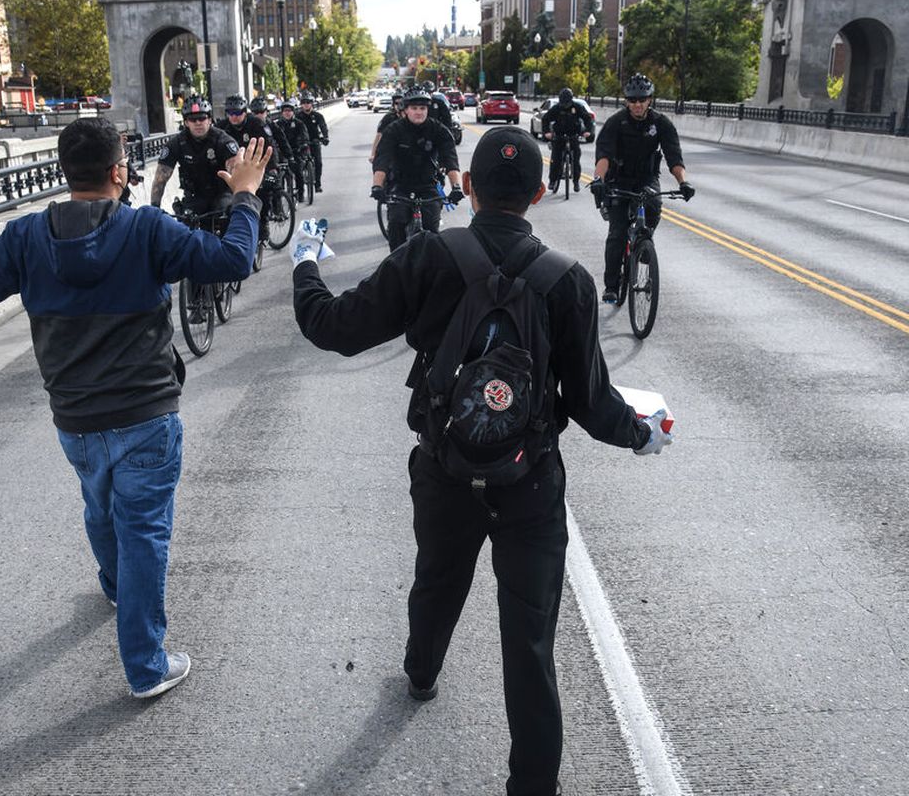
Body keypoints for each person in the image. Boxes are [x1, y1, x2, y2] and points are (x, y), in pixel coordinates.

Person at [291, 124, 673, 796]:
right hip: (530, 482)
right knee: (530, 643)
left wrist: (306, 263)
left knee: (438, 577)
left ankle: (420, 670)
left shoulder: (426, 256)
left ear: (465, 188)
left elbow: (334, 328)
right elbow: (589, 401)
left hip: (445, 467)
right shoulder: (569, 281)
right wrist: (641, 433)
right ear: (535, 193)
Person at [0, 117, 271, 698]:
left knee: (99, 505)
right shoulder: (148, 230)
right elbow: (235, 260)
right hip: (147, 415)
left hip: (75, 418)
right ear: (120, 171)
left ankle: (117, 585)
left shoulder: (25, 236)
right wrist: (244, 194)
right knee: (144, 531)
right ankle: (145, 665)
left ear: (65, 173)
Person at [589, 73, 694, 304]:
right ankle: (612, 286)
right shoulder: (617, 123)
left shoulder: (661, 123)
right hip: (619, 181)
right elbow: (604, 155)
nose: (637, 104)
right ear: (626, 101)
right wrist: (599, 179)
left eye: (642, 99)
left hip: (647, 180)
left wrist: (683, 182)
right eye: (633, 100)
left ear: (650, 100)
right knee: (617, 233)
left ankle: (643, 244)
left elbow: (674, 156)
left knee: (654, 206)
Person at [371, 86, 462, 252]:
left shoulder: (438, 129)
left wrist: (456, 187)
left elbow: (451, 160)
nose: (419, 112)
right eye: (414, 108)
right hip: (400, 184)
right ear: (405, 110)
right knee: (397, 223)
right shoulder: (394, 130)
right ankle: (396, 265)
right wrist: (377, 186)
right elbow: (382, 160)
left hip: (428, 184)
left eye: (422, 108)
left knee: (432, 231)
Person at [151, 96, 240, 216]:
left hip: (222, 193)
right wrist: (154, 209)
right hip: (194, 195)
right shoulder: (176, 143)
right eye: (193, 119)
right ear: (186, 122)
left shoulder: (223, 141)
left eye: (202, 118)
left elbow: (237, 173)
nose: (198, 123)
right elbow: (160, 180)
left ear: (209, 120)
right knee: (185, 223)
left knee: (225, 213)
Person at [216, 94, 281, 244]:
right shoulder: (221, 127)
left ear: (245, 112)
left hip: (257, 166)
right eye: (230, 113)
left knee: (264, 191)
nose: (234, 117)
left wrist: (273, 169)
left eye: (237, 113)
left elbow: (270, 147)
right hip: (235, 170)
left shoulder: (257, 124)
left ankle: (263, 222)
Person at [542, 87, 594, 192]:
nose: (565, 105)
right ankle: (552, 181)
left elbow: (588, 118)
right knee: (555, 159)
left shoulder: (577, 107)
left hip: (573, 135)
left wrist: (587, 131)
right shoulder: (556, 108)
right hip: (559, 136)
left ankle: (576, 182)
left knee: (575, 159)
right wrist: (546, 132)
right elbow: (545, 119)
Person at [275, 99, 311, 202]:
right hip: (282, 152)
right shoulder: (278, 124)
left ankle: (300, 193)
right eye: (285, 111)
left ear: (293, 112)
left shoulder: (299, 123)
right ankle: (279, 195)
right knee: (278, 174)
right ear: (282, 112)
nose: (287, 113)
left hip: (296, 151)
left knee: (298, 172)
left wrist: (302, 144)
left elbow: (304, 135)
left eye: (289, 111)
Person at [295, 94, 329, 193]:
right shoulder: (298, 117)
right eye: (304, 103)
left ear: (312, 104)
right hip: (301, 143)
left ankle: (317, 184)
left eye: (308, 103)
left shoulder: (318, 116)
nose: (306, 105)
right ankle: (299, 189)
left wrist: (325, 137)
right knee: (298, 165)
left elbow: (323, 127)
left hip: (314, 141)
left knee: (318, 163)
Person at [369, 90, 404, 164]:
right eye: (396, 103)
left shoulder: (412, 117)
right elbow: (379, 136)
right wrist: (373, 154)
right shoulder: (388, 118)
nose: (398, 106)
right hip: (392, 152)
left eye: (401, 103)